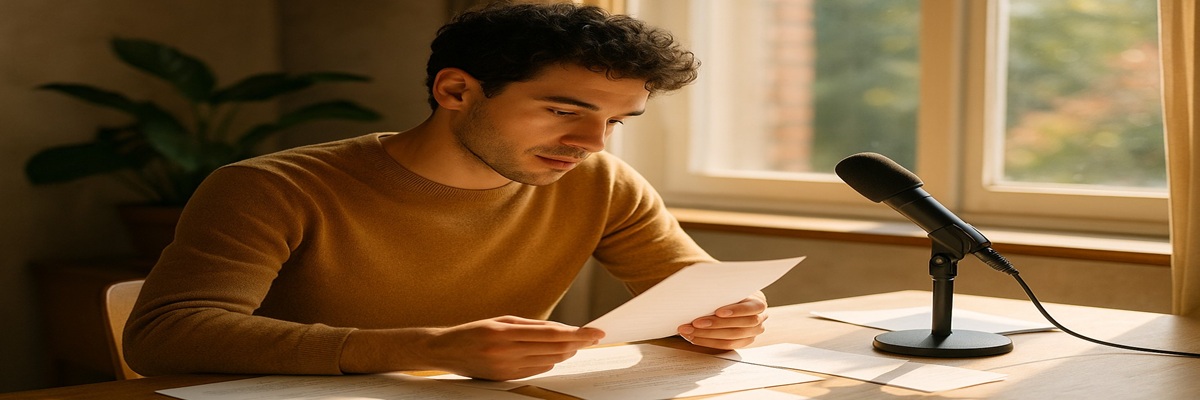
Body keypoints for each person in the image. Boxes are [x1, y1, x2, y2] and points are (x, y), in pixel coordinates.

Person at [124, 1, 769, 382]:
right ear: (456, 91)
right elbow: (166, 335)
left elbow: (692, 288)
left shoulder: (599, 183)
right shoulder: (270, 189)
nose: (593, 143)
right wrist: (430, 347)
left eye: (617, 121)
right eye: (562, 111)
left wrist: (726, 314)